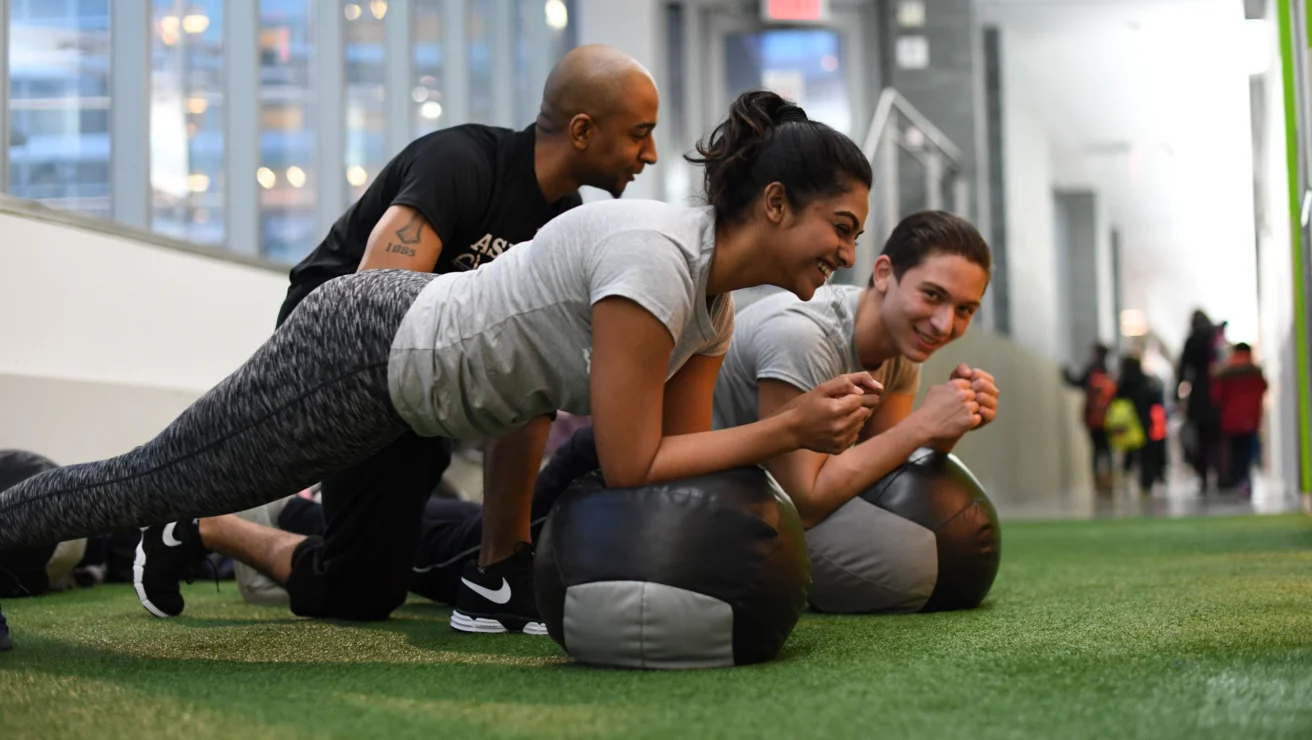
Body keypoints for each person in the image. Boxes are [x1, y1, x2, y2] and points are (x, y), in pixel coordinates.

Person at [0, 90, 880, 637]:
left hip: (407, 395)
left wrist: (510, 565)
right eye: (841, 228)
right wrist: (791, 429)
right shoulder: (657, 261)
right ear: (773, 204)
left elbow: (677, 473)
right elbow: (631, 460)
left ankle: (194, 521)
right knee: (151, 479)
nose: (844, 254)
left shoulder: (712, 313)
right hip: (359, 351)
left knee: (353, 584)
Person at [133, 44, 663, 629]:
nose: (651, 154)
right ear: (583, 130)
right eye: (640, 134)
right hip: (337, 358)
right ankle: (198, 520)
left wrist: (503, 557)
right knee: (242, 490)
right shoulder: (461, 162)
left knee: (359, 592)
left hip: (425, 384)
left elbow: (525, 378)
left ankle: (497, 574)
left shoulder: (562, 226)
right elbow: (370, 309)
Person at [246, 210, 996, 597]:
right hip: (613, 474)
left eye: (963, 311)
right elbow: (813, 493)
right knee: (457, 563)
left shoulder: (900, 354)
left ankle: (358, 506)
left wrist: (944, 430)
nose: (944, 324)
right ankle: (305, 515)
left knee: (466, 526)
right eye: (933, 296)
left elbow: (875, 472)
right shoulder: (803, 336)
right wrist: (927, 425)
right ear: (885, 276)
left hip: (680, 488)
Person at [1177, 310, 1224, 493]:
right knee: (1217, 438)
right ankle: (1220, 475)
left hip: (1198, 394)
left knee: (1200, 440)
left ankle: (1203, 477)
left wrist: (1177, 395)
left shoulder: (1191, 340)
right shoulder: (1216, 338)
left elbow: (1183, 369)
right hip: (1216, 392)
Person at [1211, 342, 1267, 495]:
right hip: (1251, 418)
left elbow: (1217, 396)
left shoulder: (1226, 372)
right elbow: (1263, 389)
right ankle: (1244, 479)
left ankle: (1237, 480)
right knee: (1247, 450)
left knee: (1234, 451)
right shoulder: (1255, 372)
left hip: (1231, 418)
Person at [1064, 343, 1116, 491]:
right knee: (1106, 449)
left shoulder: (1091, 371)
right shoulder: (1108, 373)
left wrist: (1065, 373)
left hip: (1092, 419)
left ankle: (1097, 481)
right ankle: (1109, 480)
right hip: (1107, 419)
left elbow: (1076, 382)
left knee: (1095, 450)